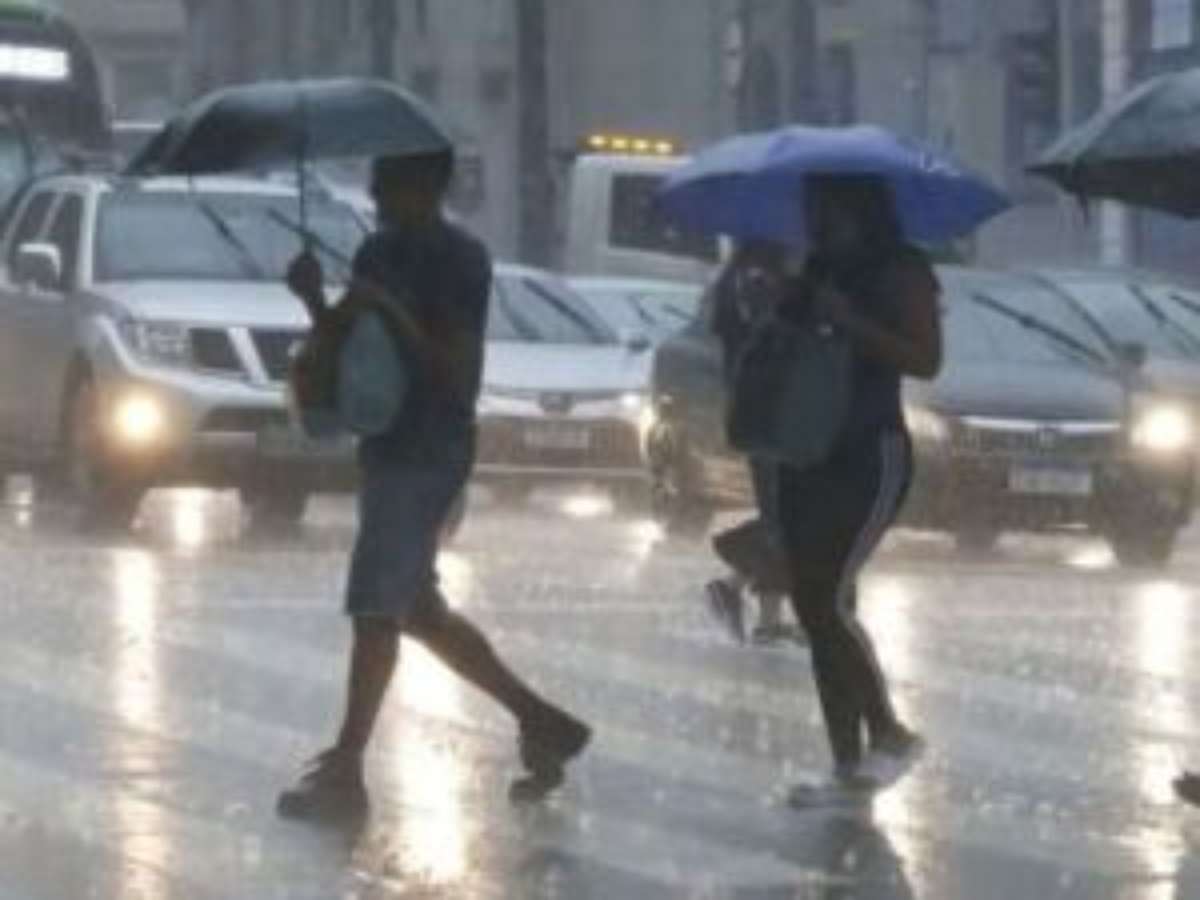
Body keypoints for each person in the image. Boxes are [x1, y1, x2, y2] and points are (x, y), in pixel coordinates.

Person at [277, 152, 590, 820]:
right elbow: (352, 340)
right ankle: (542, 721)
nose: (376, 195)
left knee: (375, 607)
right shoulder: (376, 252)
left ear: (426, 186)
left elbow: (454, 369)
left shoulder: (460, 260)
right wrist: (315, 301)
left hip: (431, 448)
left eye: (388, 184)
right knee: (415, 608)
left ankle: (346, 767)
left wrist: (388, 308)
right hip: (386, 443)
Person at [778, 175, 942, 806]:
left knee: (824, 598)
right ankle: (847, 760)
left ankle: (890, 732)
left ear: (860, 206)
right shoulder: (819, 266)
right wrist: (784, 301)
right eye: (812, 204)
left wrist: (848, 321)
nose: (817, 215)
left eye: (828, 204)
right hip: (807, 448)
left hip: (869, 451)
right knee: (816, 603)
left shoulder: (902, 270)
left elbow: (925, 359)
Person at [704, 241, 802, 646]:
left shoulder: (739, 283)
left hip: (762, 419)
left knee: (781, 517)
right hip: (775, 421)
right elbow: (775, 352)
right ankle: (732, 585)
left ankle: (767, 617)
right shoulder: (761, 288)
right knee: (788, 519)